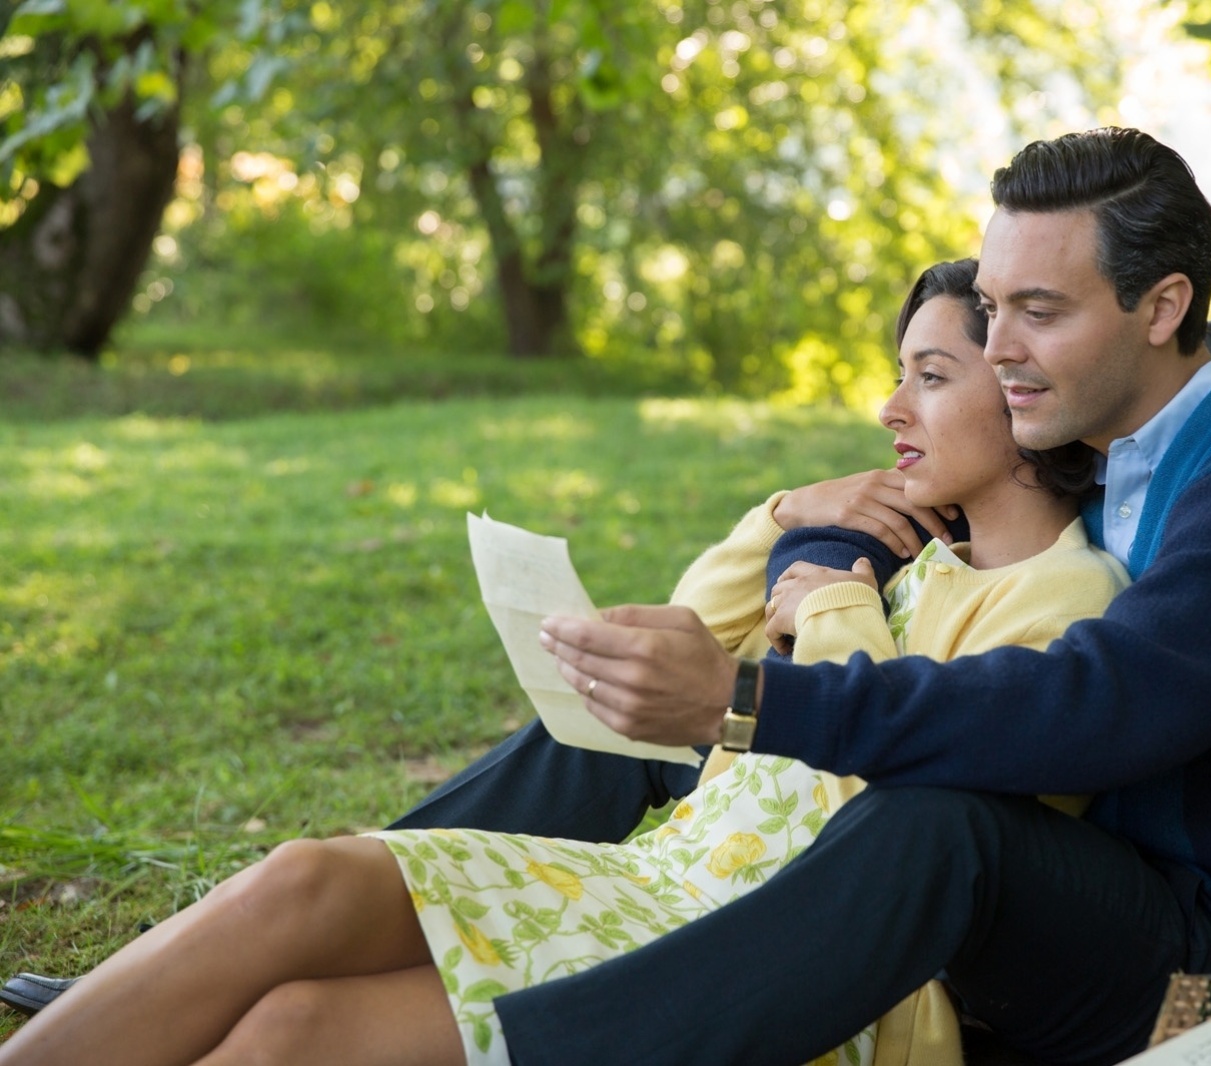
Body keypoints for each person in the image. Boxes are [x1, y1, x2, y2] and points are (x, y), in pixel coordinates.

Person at [0, 259, 1129, 1066]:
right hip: (657, 881)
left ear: (1022, 389)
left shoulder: (1071, 601)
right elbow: (695, 626)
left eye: (929, 377)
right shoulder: (914, 555)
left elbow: (903, 842)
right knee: (305, 874)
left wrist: (832, 611)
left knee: (299, 1029)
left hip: (776, 958)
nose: (890, 407)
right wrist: (792, 509)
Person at [521, 127, 1211, 1064]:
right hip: (1057, 864)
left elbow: (1096, 704)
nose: (1001, 348)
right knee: (636, 717)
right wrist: (798, 558)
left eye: (1041, 312)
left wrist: (750, 700)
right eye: (991, 307)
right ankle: (405, 889)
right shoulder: (1093, 438)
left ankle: (554, 1047)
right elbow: (859, 533)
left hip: (1198, 966)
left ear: (1161, 305)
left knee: (932, 828)